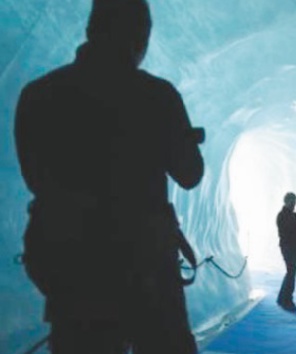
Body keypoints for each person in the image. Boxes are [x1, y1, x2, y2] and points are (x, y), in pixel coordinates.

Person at [14, 0, 204, 353]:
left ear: (90, 31)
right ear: (140, 39)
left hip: (72, 273)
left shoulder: (38, 95)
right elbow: (190, 174)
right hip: (147, 273)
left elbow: (35, 178)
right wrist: (181, 137)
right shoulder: (157, 96)